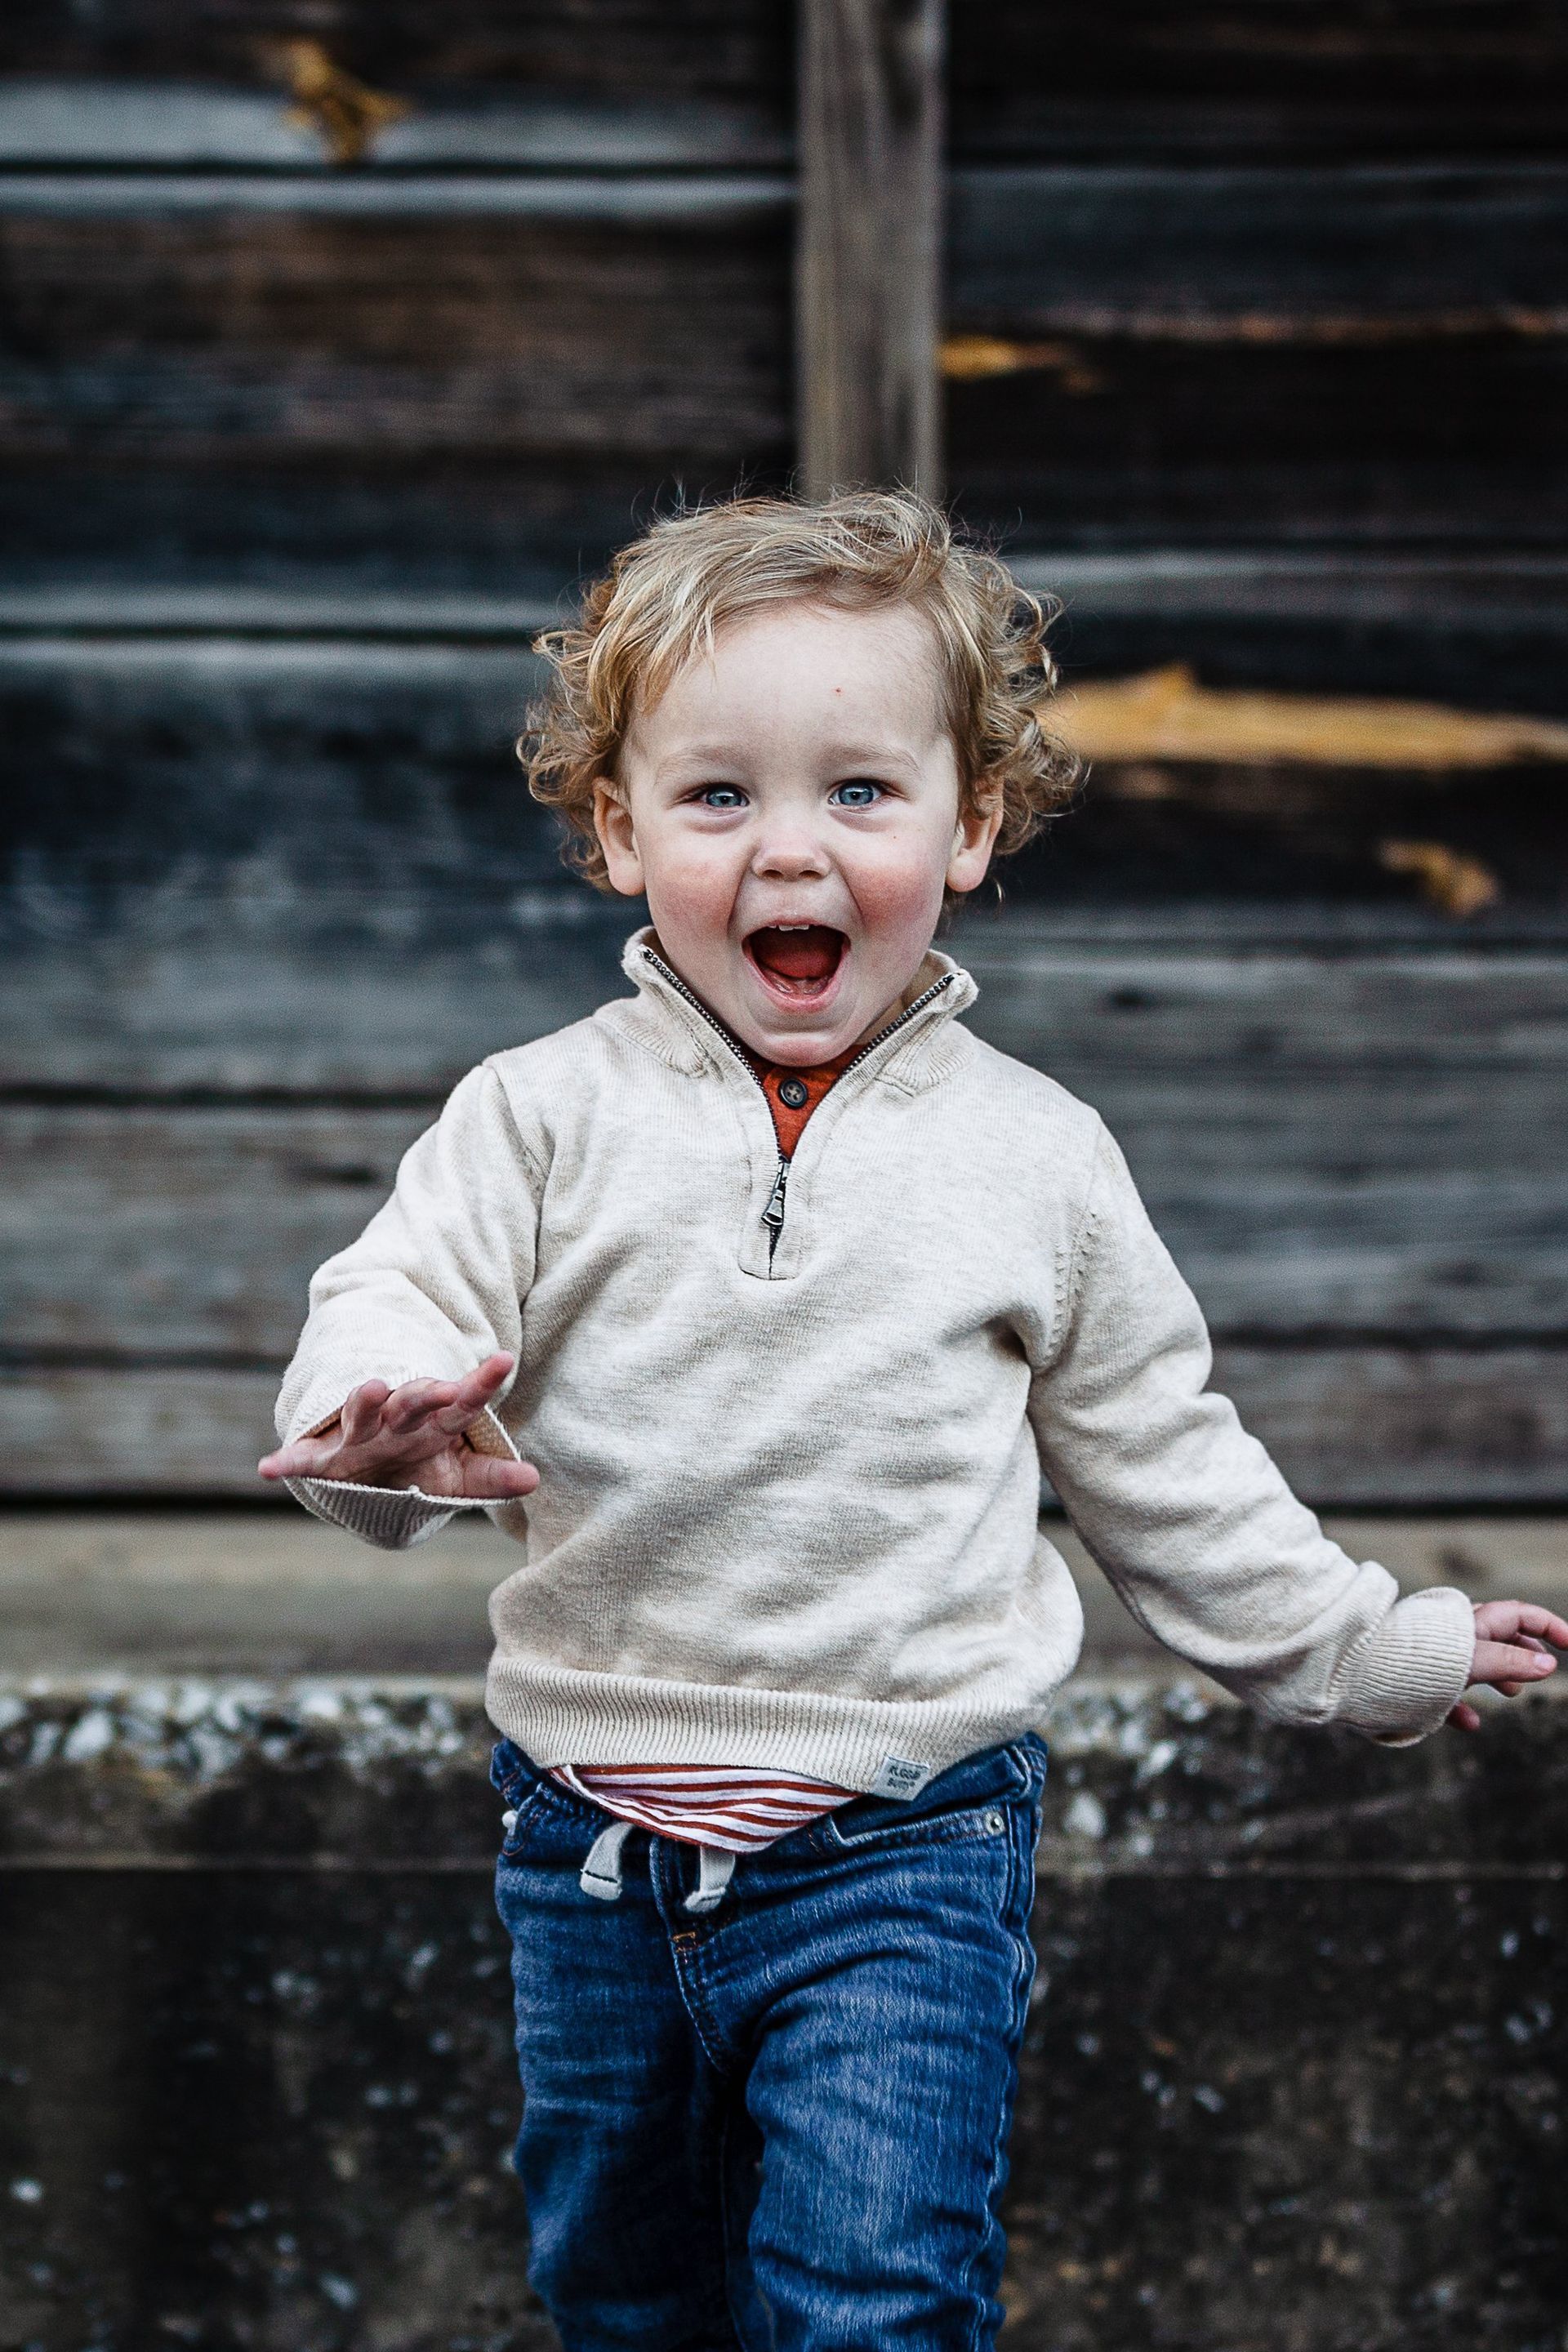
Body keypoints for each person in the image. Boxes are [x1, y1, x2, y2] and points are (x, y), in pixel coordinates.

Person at [260, 491, 1565, 2352]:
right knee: (623, 2295)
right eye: (719, 799)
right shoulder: (535, 1118)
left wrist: (1359, 1644)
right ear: (621, 832)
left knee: (868, 2305)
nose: (791, 849)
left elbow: (1161, 1452)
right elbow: (391, 1308)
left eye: (860, 794)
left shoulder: (1035, 1156)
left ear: (972, 826)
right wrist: (372, 1436)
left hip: (906, 1844)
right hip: (590, 1839)